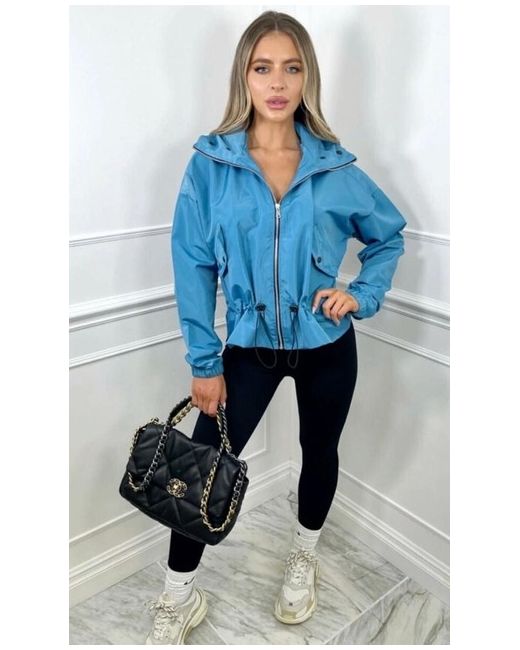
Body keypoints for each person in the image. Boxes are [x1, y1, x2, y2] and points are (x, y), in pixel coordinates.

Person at [145, 10, 407, 645]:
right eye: (263, 68)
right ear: (244, 75)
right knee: (204, 466)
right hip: (247, 348)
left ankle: (303, 555)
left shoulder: (335, 168)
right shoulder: (212, 165)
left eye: (292, 68)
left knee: (320, 453)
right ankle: (179, 594)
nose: (278, 82)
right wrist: (204, 361)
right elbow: (192, 264)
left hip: (327, 346)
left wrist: (360, 294)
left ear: (307, 76)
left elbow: (388, 238)